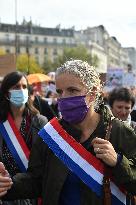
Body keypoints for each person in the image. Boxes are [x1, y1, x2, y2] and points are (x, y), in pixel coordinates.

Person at [0, 60, 136, 205]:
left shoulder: (120, 132)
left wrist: (118, 162)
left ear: (93, 93)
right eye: (59, 91)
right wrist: (8, 185)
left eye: (72, 90)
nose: (63, 97)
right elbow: (36, 180)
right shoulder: (50, 134)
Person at [0, 71, 48, 205]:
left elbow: (46, 161)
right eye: (16, 87)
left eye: (24, 87)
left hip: (33, 194)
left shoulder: (40, 122)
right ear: (6, 93)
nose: (21, 90)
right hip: (4, 193)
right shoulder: (1, 122)